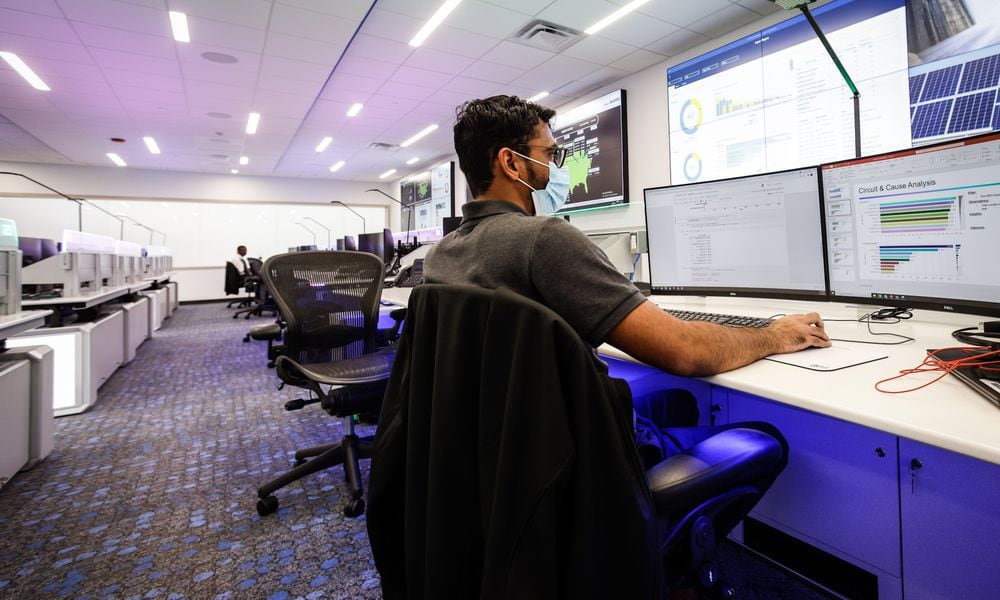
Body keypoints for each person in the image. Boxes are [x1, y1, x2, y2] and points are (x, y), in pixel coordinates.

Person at [425, 95, 831, 464]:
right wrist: (775, 335)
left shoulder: (441, 254)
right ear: (511, 162)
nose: (555, 169)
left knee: (678, 402)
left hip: (506, 450)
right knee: (766, 438)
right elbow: (683, 351)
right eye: (549, 155)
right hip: (581, 455)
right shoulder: (543, 238)